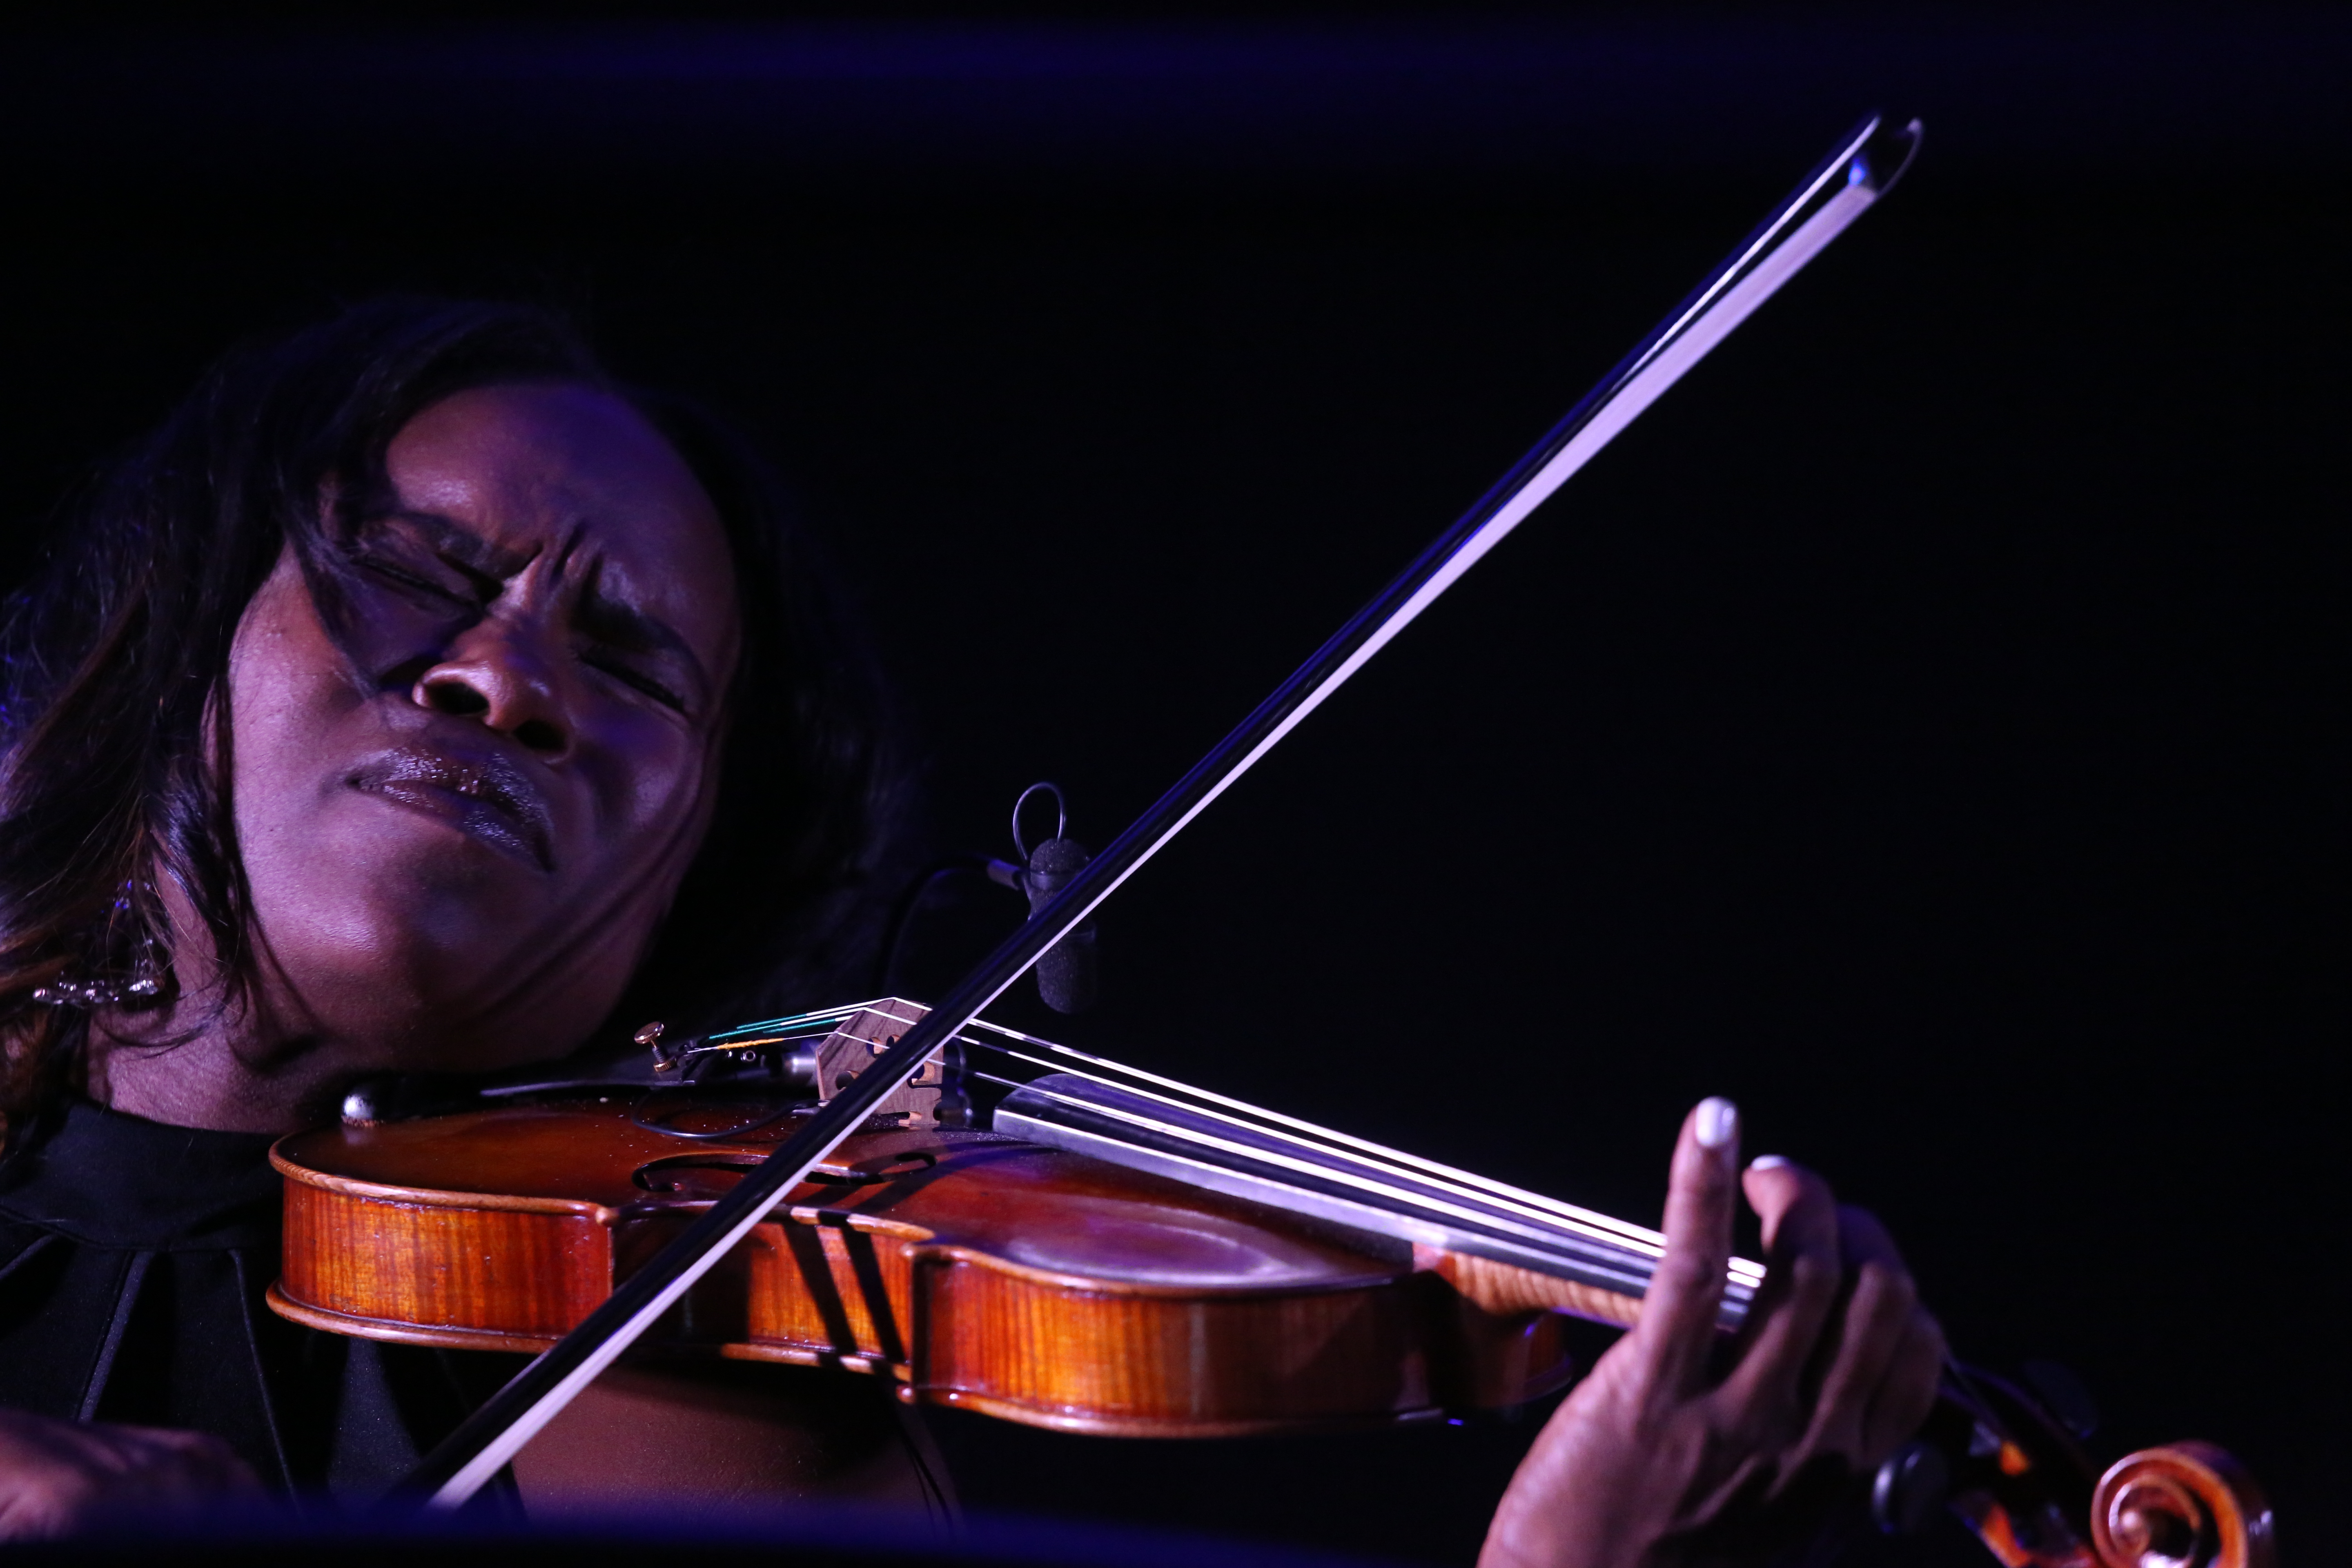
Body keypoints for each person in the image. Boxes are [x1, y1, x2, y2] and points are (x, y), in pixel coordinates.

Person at [0, 301, 1943, 1561]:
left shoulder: (696, 1387)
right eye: (422, 573)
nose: (504, 679)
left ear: (693, 869)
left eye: (631, 665)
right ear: (187, 625)